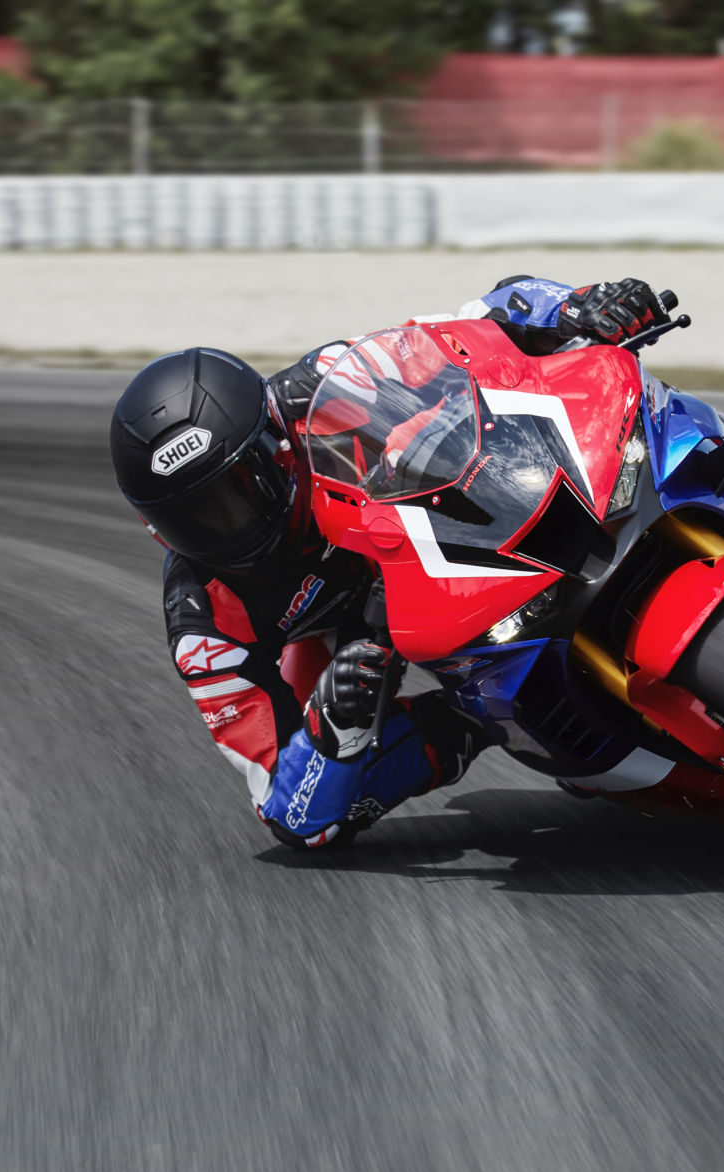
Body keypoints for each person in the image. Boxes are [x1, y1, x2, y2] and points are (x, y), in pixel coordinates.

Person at [107, 278, 671, 849]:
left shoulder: (322, 385)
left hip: (438, 520)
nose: (232, 523)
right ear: (158, 530)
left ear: (274, 444)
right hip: (354, 640)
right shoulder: (202, 622)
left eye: (241, 488)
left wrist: (576, 308)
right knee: (312, 827)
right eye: (196, 518)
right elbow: (281, 805)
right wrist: (334, 731)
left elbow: (475, 323)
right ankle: (475, 724)